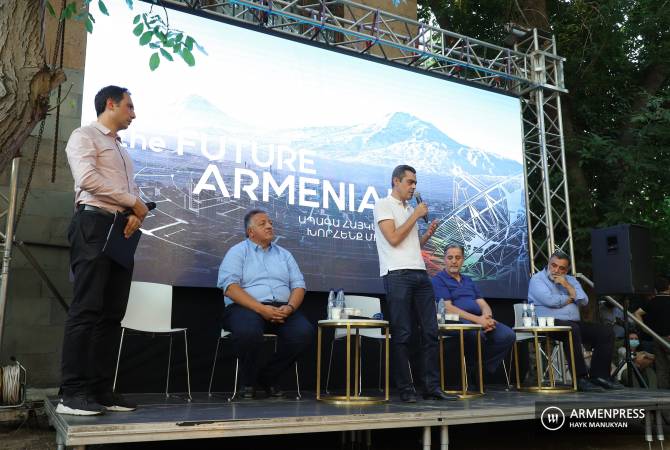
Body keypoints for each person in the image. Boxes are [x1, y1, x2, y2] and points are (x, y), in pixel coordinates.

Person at [58, 86, 148, 415]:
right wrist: (133, 203)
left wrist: (136, 213)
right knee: (86, 310)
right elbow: (87, 179)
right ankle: (72, 393)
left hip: (119, 231)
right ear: (110, 104)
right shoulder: (84, 136)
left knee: (112, 315)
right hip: (93, 226)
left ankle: (99, 391)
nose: (134, 113)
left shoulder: (122, 150)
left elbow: (131, 192)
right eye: (129, 106)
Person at [373, 164, 453, 402]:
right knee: (403, 332)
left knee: (430, 331)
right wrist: (416, 215)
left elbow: (412, 244)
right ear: (395, 182)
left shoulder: (410, 208)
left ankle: (431, 388)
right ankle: (406, 390)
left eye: (415, 183)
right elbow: (394, 238)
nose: (414, 187)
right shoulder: (383, 204)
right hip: (397, 274)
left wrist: (427, 233)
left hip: (419, 273)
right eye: (410, 182)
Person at [217, 209, 314, 399]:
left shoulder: (285, 255)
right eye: (262, 224)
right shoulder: (237, 252)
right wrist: (261, 309)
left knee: (304, 333)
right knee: (248, 332)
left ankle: (268, 377)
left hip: (281, 308)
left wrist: (290, 307)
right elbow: (230, 287)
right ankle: (249, 381)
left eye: (270, 222)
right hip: (246, 307)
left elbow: (299, 286)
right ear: (250, 232)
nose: (270, 226)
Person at [528, 250, 624, 392]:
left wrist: (567, 285)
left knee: (605, 332)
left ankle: (600, 376)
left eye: (561, 268)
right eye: (553, 265)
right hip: (547, 322)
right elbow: (550, 301)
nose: (556, 270)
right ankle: (580, 378)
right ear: (548, 264)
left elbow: (584, 300)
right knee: (571, 329)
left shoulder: (570, 280)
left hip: (573, 323)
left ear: (567, 269)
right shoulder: (537, 279)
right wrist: (570, 298)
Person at [431, 244, 515, 379]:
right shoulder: (438, 280)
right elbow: (448, 307)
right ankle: (473, 372)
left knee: (508, 335)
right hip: (455, 320)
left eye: (458, 258)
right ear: (444, 260)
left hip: (479, 320)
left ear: (463, 260)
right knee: (477, 334)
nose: (454, 261)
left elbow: (482, 303)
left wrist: (487, 317)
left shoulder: (468, 280)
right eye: (450, 257)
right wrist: (479, 321)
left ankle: (480, 368)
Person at [634, 276, 670, 390]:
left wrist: (645, 328)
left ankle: (663, 394)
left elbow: (637, 313)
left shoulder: (652, 302)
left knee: (661, 367)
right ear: (668, 286)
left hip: (657, 338)